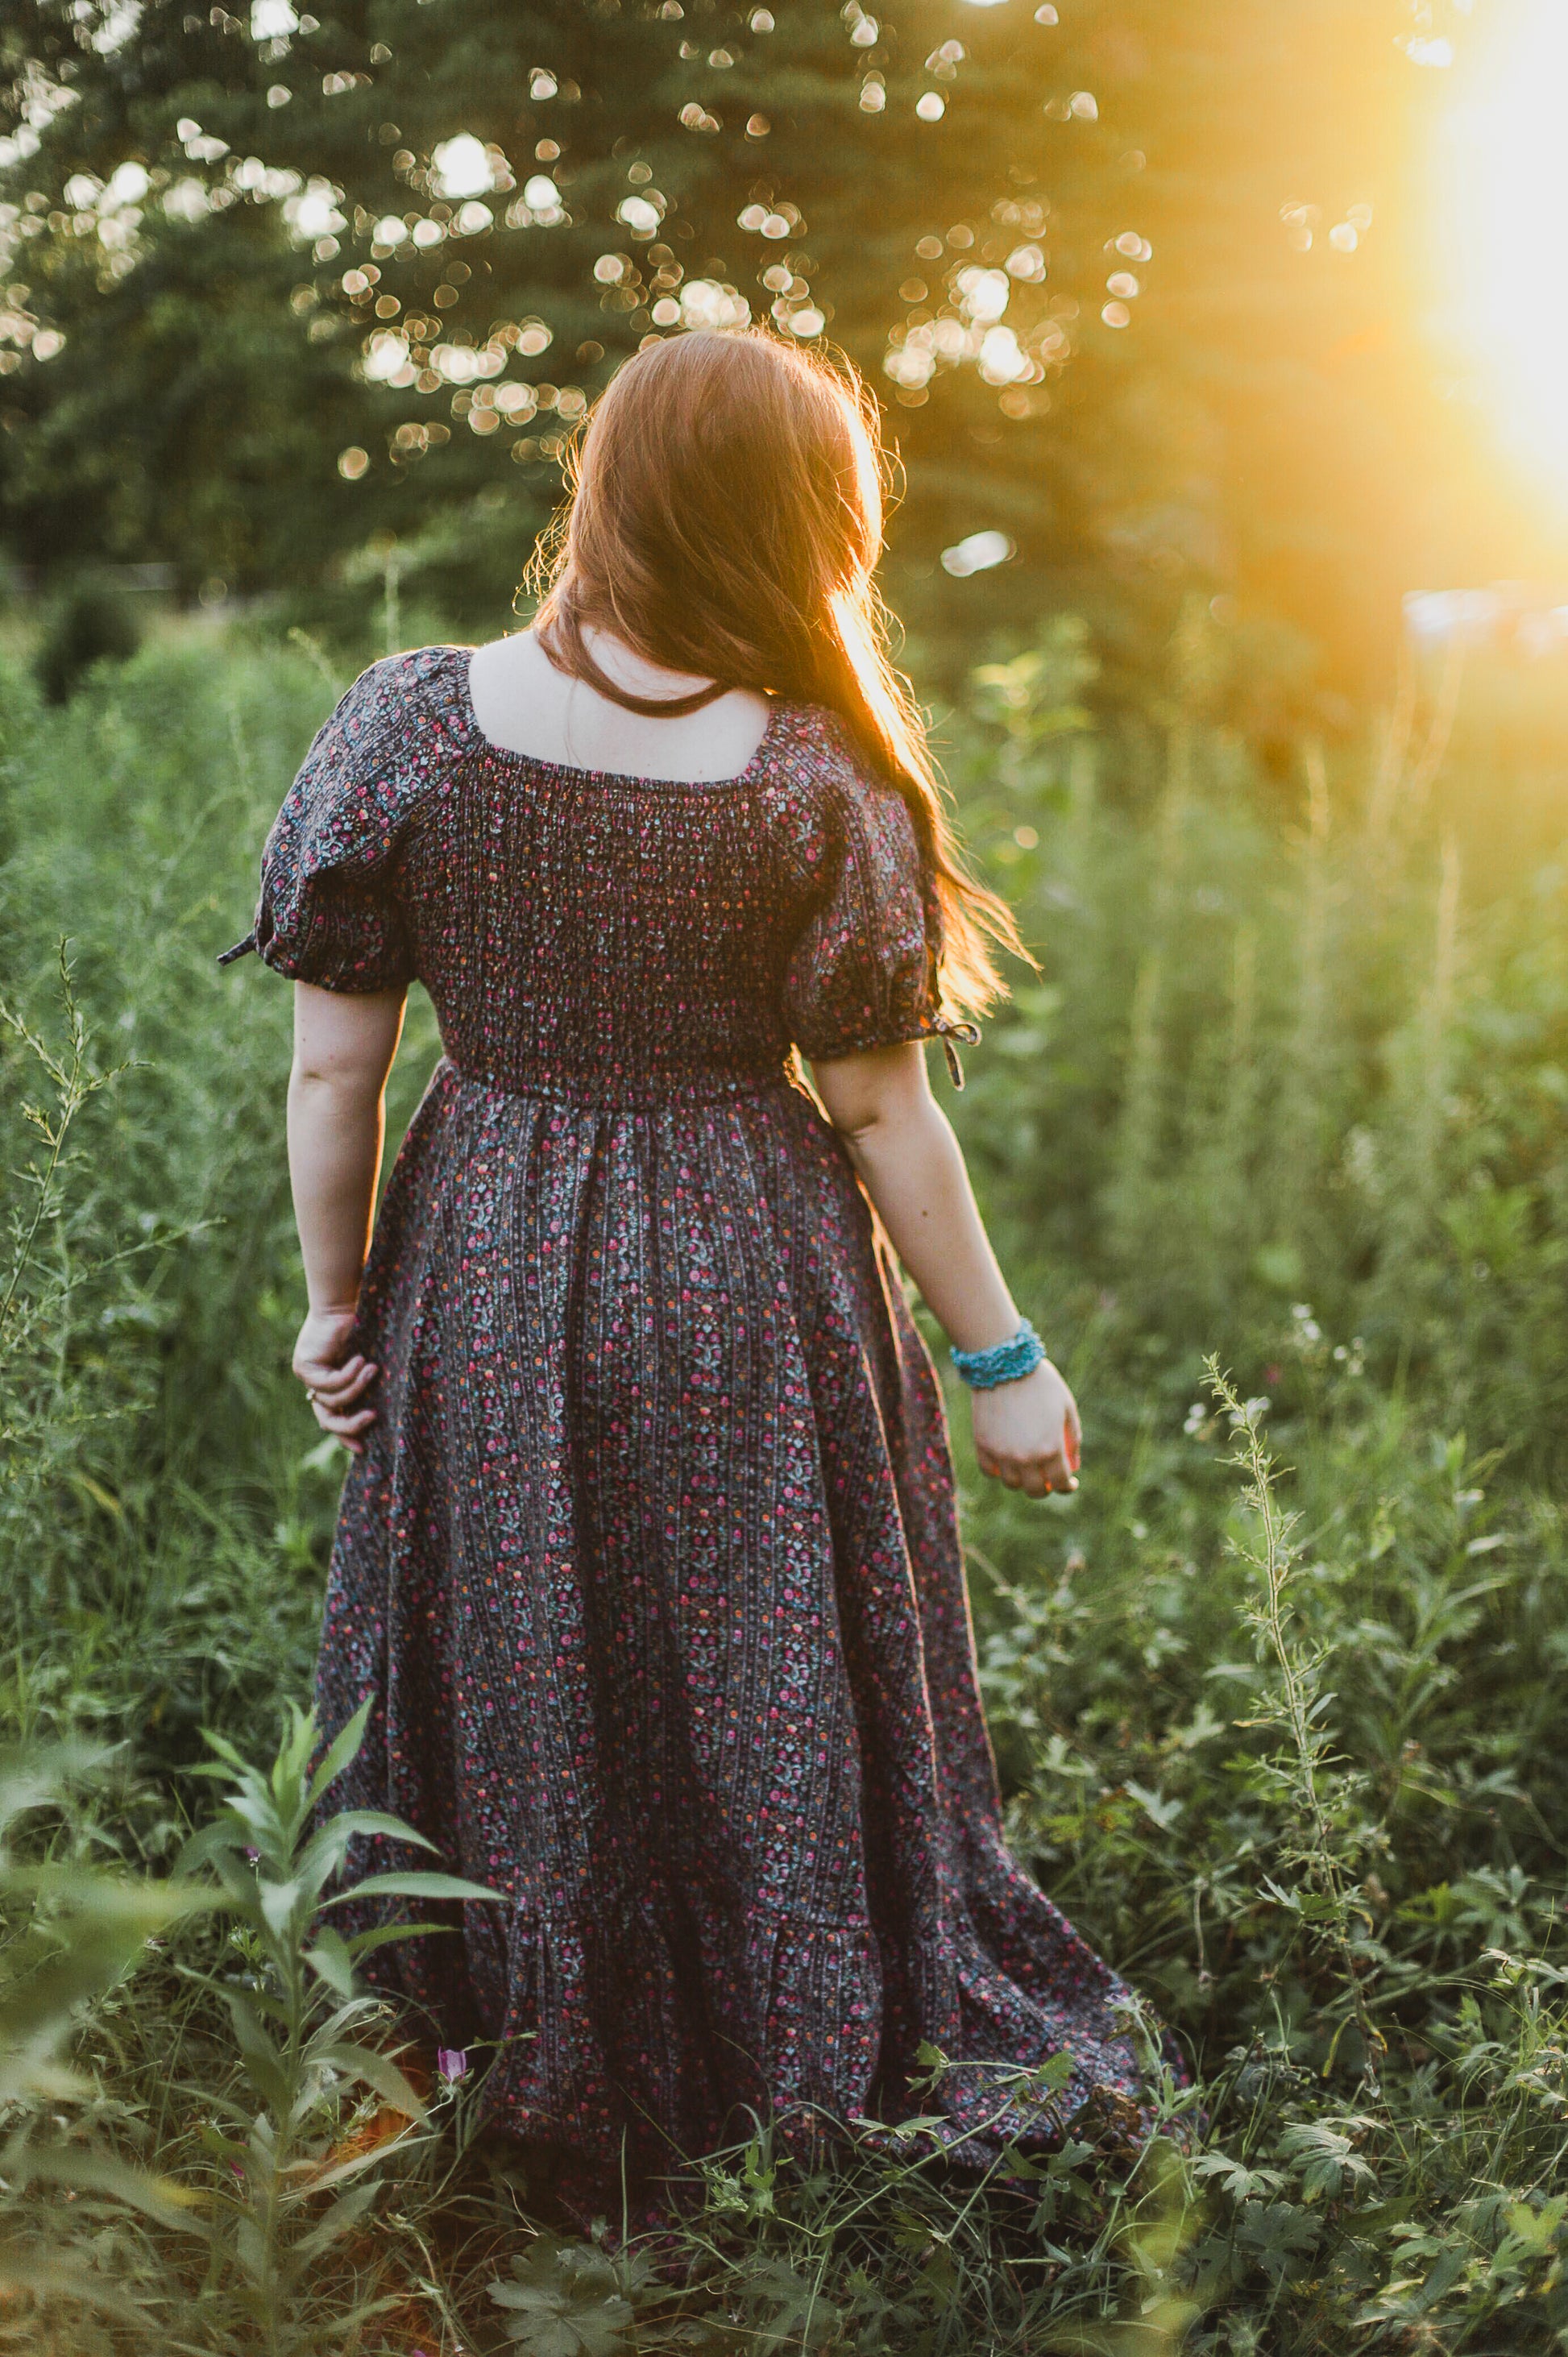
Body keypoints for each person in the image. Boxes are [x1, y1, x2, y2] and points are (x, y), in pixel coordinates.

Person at [223, 329, 1168, 2211]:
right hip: (755, 1266)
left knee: (517, 1641)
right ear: (808, 522)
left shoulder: (409, 721)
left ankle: (514, 2029)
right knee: (758, 1652)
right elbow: (887, 1115)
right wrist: (1003, 1366)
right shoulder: (818, 774)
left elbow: (340, 1064)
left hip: (487, 1246)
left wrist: (341, 1303)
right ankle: (773, 2029)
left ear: (607, 485)